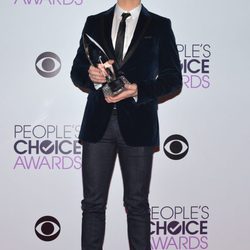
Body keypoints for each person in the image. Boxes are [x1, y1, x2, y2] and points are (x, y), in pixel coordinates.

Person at [70, 0, 182, 249]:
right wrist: (91, 75)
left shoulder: (161, 26)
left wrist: (137, 90)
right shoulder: (94, 21)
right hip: (97, 124)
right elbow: (76, 70)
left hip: (139, 124)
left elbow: (173, 79)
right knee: (92, 204)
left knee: (137, 204)